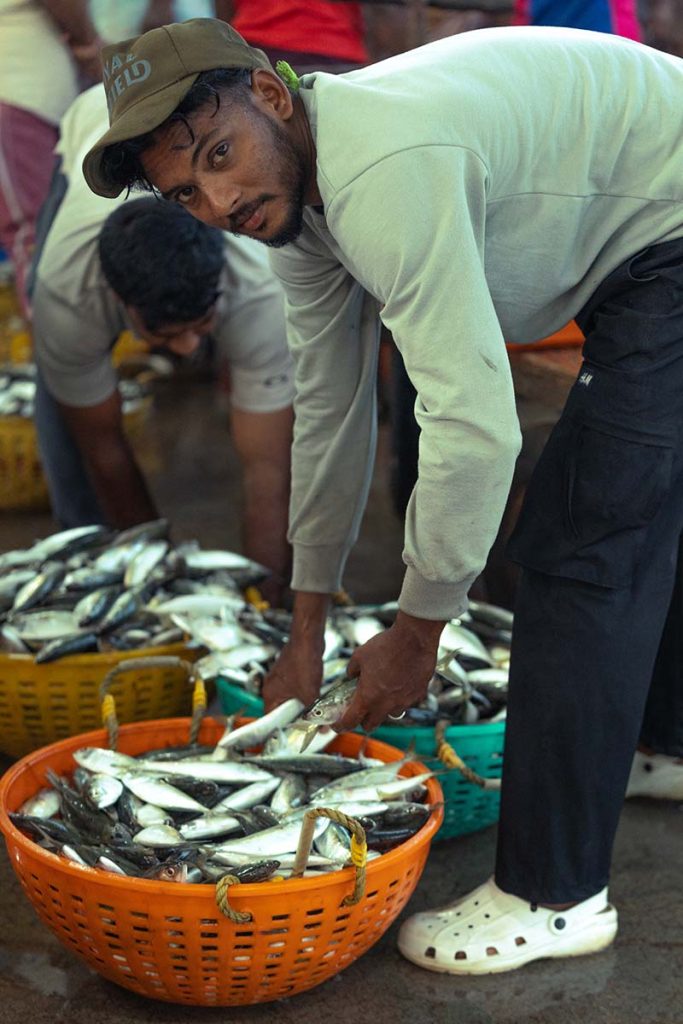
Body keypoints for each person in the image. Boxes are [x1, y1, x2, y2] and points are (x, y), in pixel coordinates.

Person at [82, 19, 683, 973]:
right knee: (640, 500)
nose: (220, 200)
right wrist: (307, 623)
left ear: (272, 95)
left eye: (221, 154)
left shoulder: (382, 167)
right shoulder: (296, 207)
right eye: (187, 189)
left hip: (669, 230)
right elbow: (329, 414)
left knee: (580, 550)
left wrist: (421, 627)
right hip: (636, 240)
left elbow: (476, 424)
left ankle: (553, 896)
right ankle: (660, 742)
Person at [33, 84, 294, 595]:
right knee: (65, 411)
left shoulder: (258, 288)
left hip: (163, 142)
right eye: (166, 336)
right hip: (91, 127)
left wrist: (264, 602)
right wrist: (157, 583)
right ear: (122, 306)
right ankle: (93, 555)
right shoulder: (66, 294)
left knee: (281, 446)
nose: (188, 349)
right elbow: (104, 449)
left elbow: (268, 470)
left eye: (201, 327)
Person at [0, 0, 101, 315]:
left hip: (27, 98)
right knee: (35, 239)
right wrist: (89, 45)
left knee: (50, 235)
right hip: (15, 95)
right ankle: (60, 356)